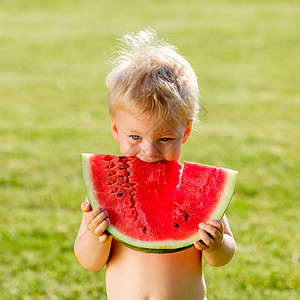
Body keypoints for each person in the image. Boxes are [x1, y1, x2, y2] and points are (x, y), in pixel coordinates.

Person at [74, 29, 236, 300]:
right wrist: (95, 236)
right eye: (135, 137)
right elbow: (88, 261)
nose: (149, 150)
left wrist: (216, 245)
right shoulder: (108, 193)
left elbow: (223, 256)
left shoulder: (195, 191)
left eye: (165, 138)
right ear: (116, 129)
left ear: (185, 131)